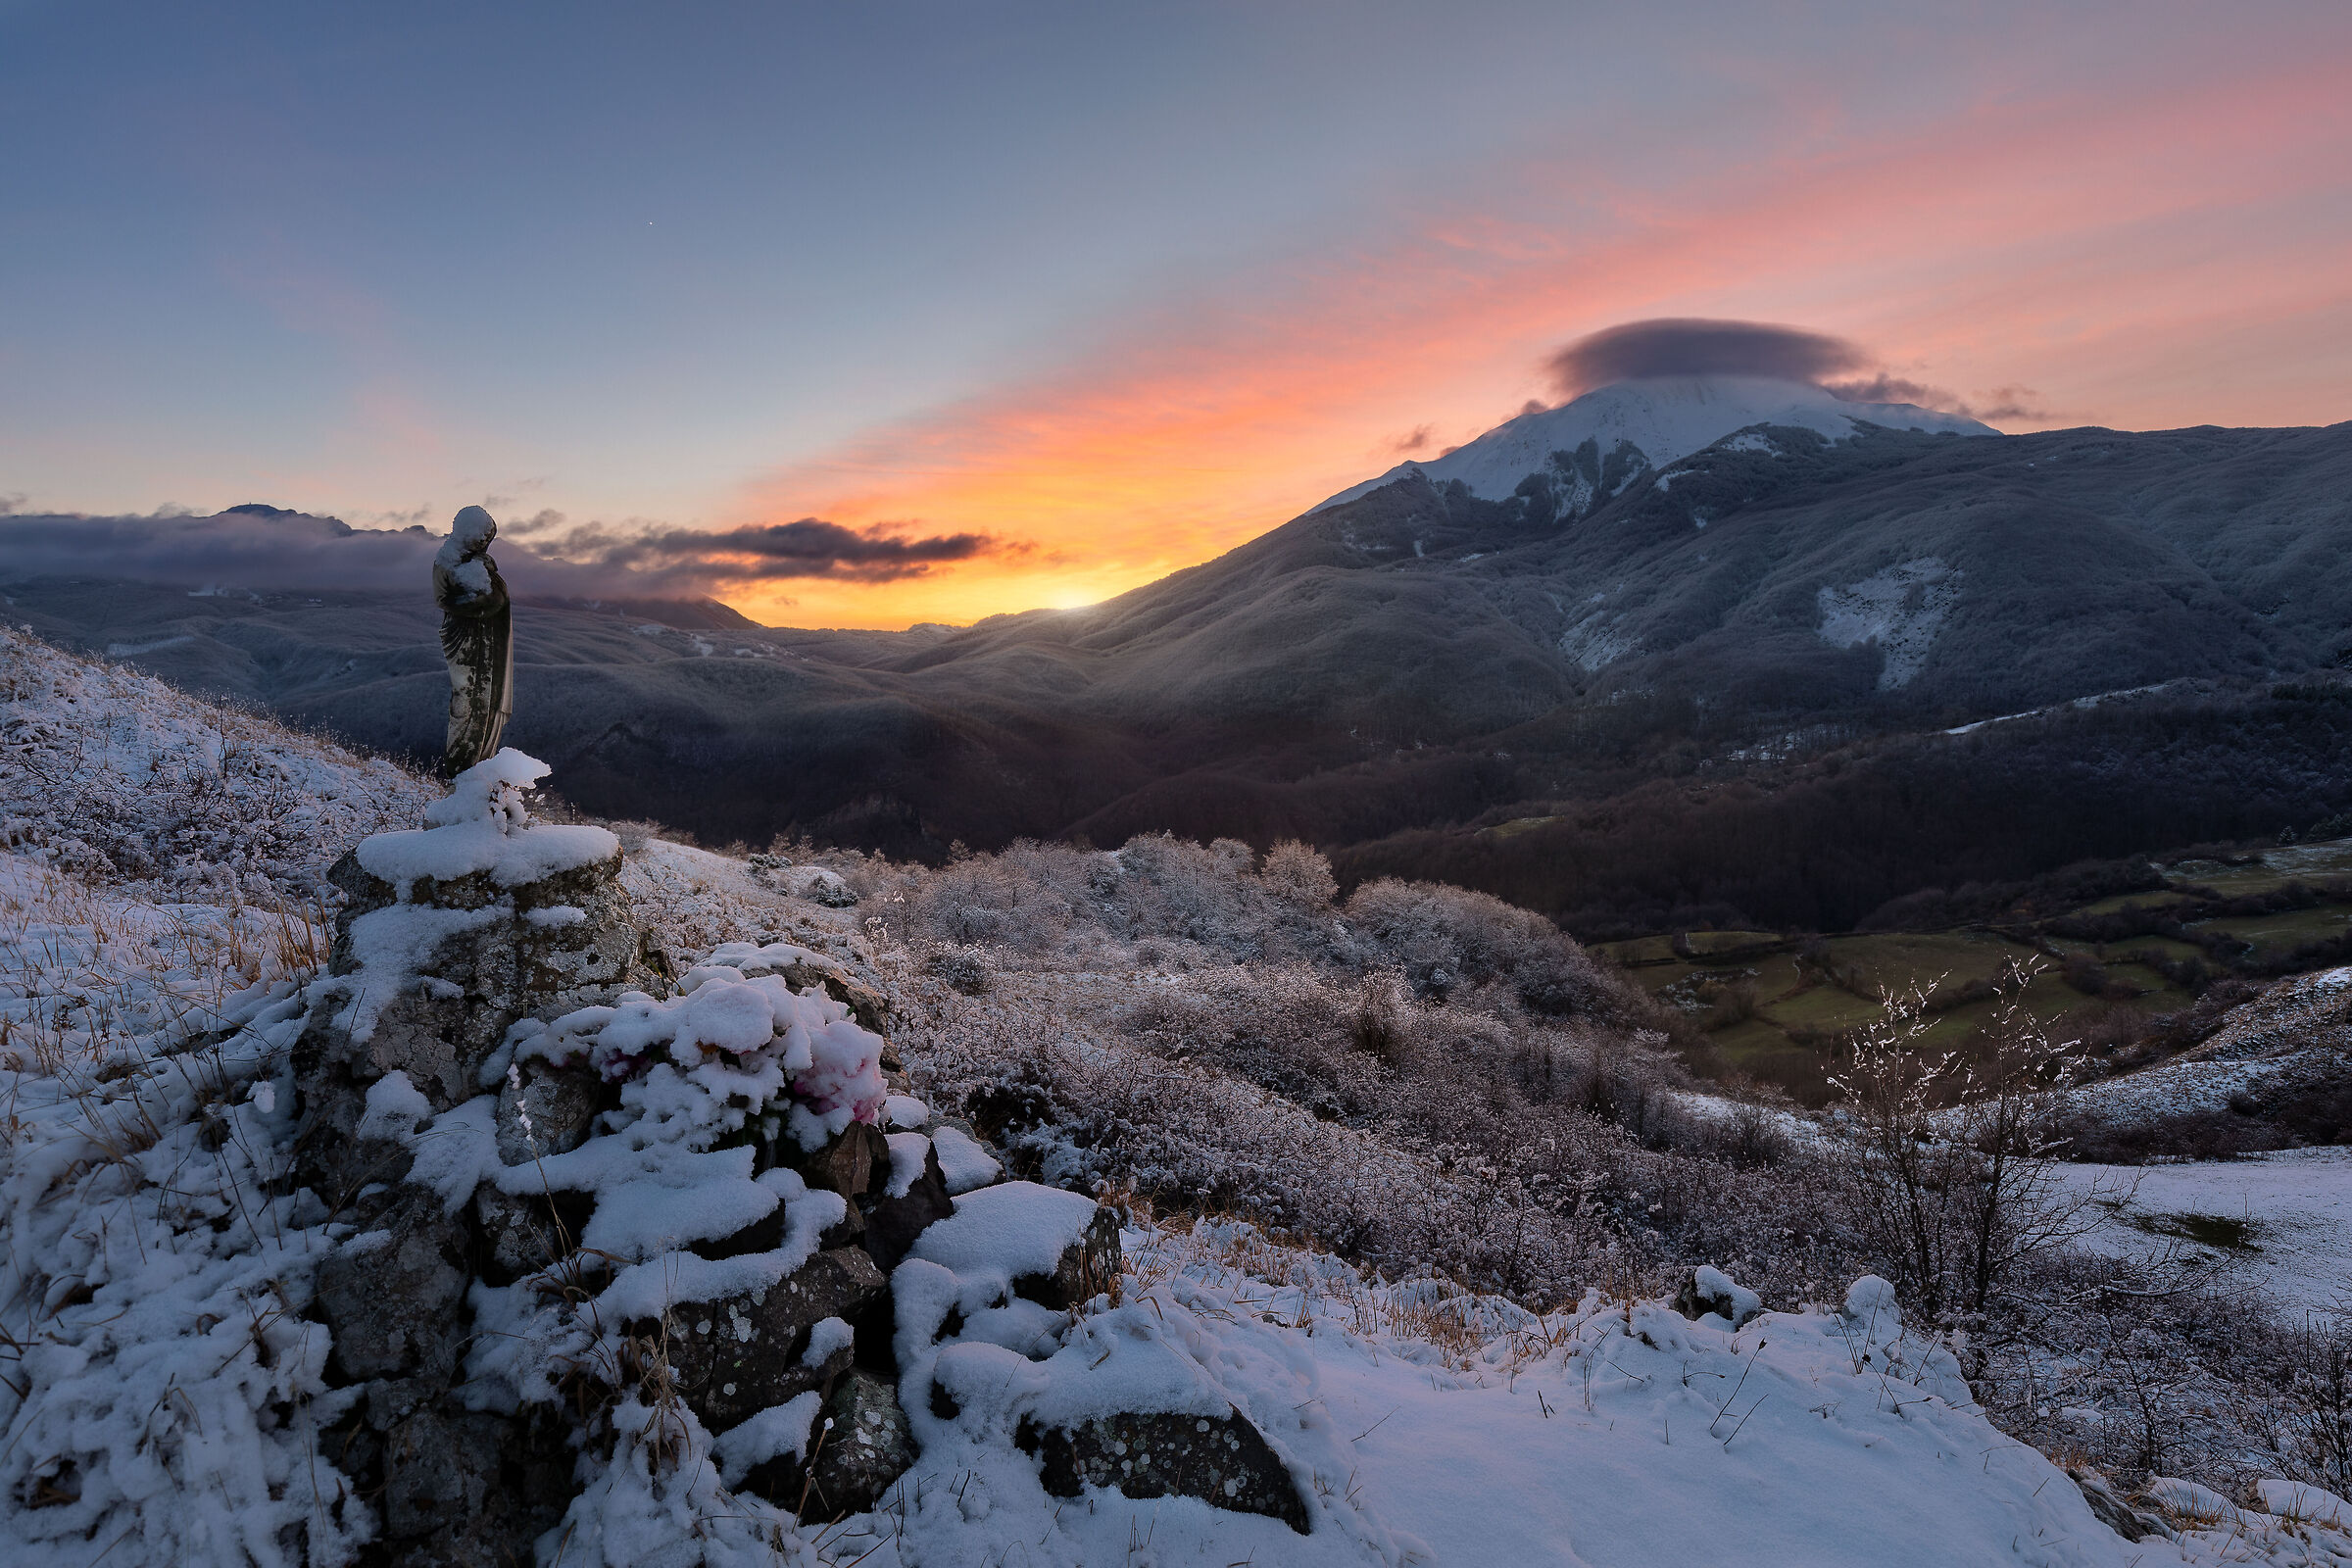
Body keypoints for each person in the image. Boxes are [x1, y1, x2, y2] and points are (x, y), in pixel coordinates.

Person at [432, 505, 514, 775]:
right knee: (469, 702)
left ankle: (476, 769)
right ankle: (463, 769)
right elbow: (450, 601)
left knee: (484, 703)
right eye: (481, 536)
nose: (484, 543)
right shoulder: (448, 561)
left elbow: (495, 600)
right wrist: (485, 591)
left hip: (487, 644)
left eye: (488, 538)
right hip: (466, 642)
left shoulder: (477, 564)